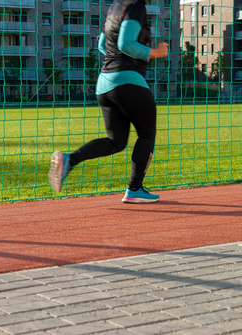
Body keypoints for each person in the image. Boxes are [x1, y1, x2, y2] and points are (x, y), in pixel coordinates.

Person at [49, 0, 168, 203]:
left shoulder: (115, 8)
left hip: (105, 82)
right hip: (128, 80)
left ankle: (69, 159)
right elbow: (125, 44)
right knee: (147, 135)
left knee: (116, 142)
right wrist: (154, 53)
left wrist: (119, 61)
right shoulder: (136, 7)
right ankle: (134, 189)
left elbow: (102, 45)